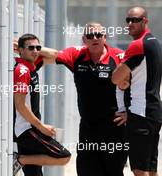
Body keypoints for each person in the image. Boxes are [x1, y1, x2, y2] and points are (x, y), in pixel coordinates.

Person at [39, 22, 128, 176]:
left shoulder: (119, 56)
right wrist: (32, 47)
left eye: (99, 35)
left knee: (113, 171)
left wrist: (129, 113)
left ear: (105, 37)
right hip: (88, 127)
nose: (95, 38)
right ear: (84, 39)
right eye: (90, 35)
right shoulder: (77, 55)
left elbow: (138, 86)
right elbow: (53, 55)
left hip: (114, 127)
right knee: (86, 170)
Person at [112, 6, 162, 176]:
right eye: (128, 20)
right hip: (153, 113)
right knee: (151, 168)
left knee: (140, 170)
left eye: (135, 20)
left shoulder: (137, 45)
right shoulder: (156, 42)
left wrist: (123, 80)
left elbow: (116, 78)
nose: (131, 24)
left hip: (141, 114)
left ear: (145, 21)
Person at [13, 33, 71, 176]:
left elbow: (55, 55)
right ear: (20, 50)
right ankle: (20, 159)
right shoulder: (22, 70)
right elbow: (20, 105)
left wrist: (36, 48)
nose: (35, 51)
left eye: (37, 48)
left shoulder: (32, 66)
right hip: (26, 130)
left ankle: (22, 160)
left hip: (31, 128)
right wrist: (41, 126)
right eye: (30, 48)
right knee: (64, 156)